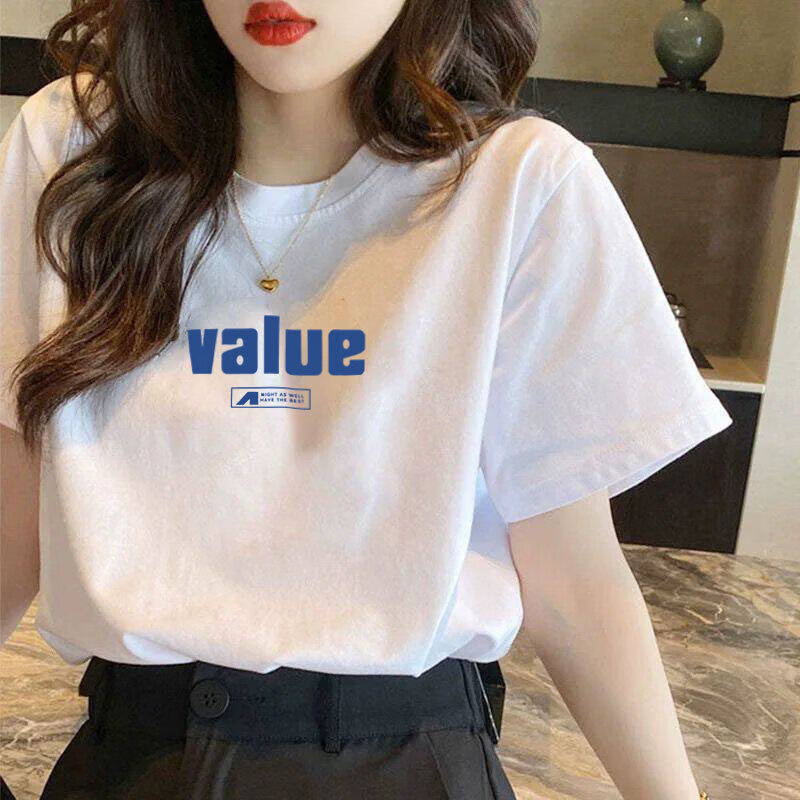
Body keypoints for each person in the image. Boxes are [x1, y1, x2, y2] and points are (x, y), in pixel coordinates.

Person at [0, 1, 730, 798]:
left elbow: (573, 578)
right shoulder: (76, 148)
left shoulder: (519, 181)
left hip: (407, 763)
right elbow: (14, 505)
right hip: (131, 759)